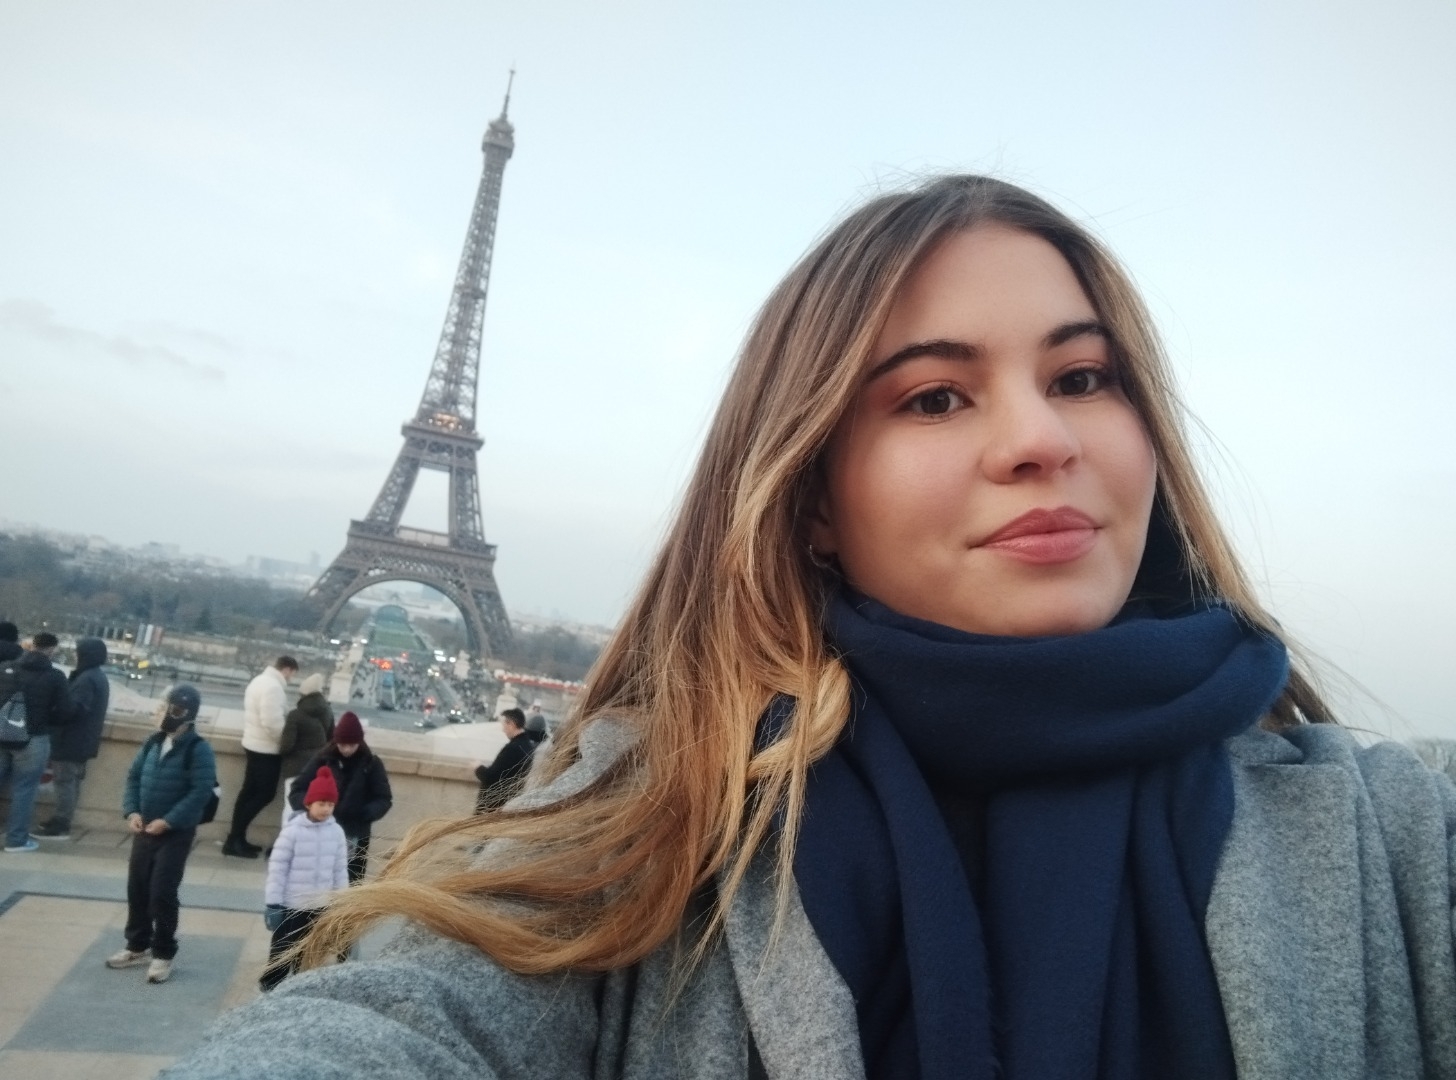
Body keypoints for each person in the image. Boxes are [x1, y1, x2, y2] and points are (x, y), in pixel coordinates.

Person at [162, 176, 1456, 1079]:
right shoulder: (650, 821)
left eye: (1082, 376)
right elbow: (396, 1021)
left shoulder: (1393, 836)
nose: (1041, 438)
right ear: (815, 496)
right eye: (936, 396)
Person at [108, 683, 217, 985]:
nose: (157, 713)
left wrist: (168, 821)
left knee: (162, 893)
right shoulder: (152, 742)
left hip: (175, 835)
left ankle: (163, 953)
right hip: (144, 830)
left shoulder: (199, 749)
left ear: (180, 712)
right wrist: (132, 811)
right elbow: (133, 778)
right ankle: (137, 945)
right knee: (138, 888)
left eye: (164, 707)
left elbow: (200, 792)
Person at [260, 765, 349, 992]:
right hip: (292, 904)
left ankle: (302, 983)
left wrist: (342, 900)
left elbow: (340, 869)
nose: (326, 809)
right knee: (283, 947)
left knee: (310, 948)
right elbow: (278, 868)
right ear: (309, 803)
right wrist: (273, 903)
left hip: (320, 904)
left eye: (330, 805)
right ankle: (271, 985)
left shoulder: (337, 833)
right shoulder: (292, 832)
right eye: (321, 804)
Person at [286, 712, 390, 884]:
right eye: (342, 745)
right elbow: (297, 790)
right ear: (336, 741)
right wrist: (314, 809)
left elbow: (383, 798)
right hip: (320, 830)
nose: (347, 749)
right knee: (318, 878)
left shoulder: (371, 764)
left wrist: (364, 814)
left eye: (352, 745)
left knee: (350, 880)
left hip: (354, 832)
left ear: (359, 742)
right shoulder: (322, 759)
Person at [0, 630, 72, 853]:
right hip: (34, 737)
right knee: (25, 790)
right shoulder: (55, 677)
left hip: (2, 734)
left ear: (31, 645)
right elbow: (64, 712)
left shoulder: (5, 668)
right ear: (52, 649)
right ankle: (16, 840)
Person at [34, 636, 110, 840]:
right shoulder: (97, 676)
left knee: (64, 782)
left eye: (78, 653)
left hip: (71, 739)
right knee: (71, 782)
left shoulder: (86, 679)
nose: (76, 656)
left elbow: (74, 709)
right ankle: (62, 820)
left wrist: (55, 712)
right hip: (82, 740)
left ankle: (61, 824)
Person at [224, 655, 298, 858]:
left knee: (248, 793)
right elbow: (272, 723)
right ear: (287, 669)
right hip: (266, 750)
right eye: (292, 673)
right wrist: (286, 743)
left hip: (252, 744)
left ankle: (236, 839)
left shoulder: (258, 681)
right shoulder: (273, 687)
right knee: (264, 794)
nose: (291, 678)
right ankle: (235, 838)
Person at [278, 673, 335, 818]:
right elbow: (332, 740)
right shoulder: (328, 712)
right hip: (318, 767)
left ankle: (289, 832)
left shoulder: (295, 715)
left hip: (295, 767)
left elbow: (286, 746)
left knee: (291, 806)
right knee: (312, 807)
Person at [472, 707, 537, 812]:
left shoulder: (513, 748)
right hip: (507, 804)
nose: (503, 730)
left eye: (504, 725)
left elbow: (490, 777)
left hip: (493, 806)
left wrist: (478, 767)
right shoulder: (528, 746)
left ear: (511, 724)